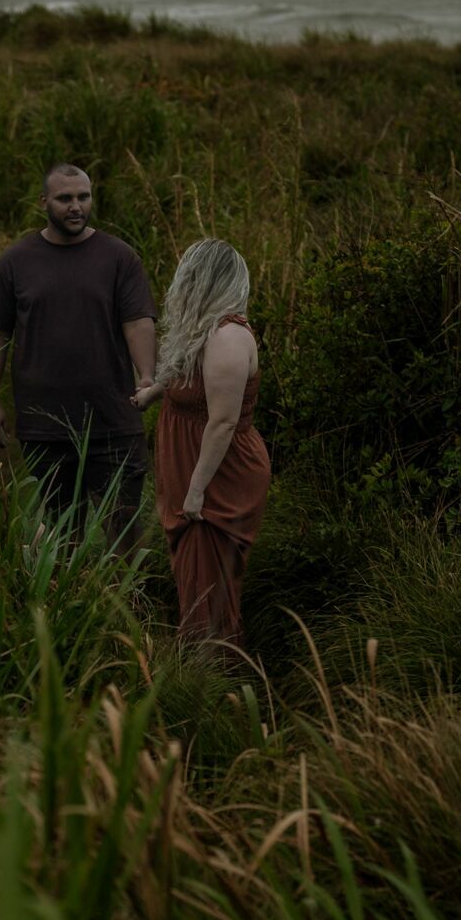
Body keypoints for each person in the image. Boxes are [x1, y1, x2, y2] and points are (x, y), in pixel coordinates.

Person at [0, 162, 157, 548]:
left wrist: (146, 375)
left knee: (123, 528)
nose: (75, 206)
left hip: (113, 420)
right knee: (63, 529)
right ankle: (70, 603)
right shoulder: (16, 262)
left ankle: (128, 603)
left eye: (83, 197)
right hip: (45, 426)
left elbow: (138, 321)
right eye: (64, 199)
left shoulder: (118, 257)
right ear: (44, 201)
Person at [133, 239, 270, 645]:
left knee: (208, 588)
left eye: (189, 277)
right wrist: (153, 392)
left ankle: (212, 681)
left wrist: (196, 491)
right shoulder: (206, 330)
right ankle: (205, 667)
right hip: (196, 469)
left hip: (217, 477)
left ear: (203, 281)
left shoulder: (228, 338)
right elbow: (187, 375)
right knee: (195, 579)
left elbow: (224, 422)